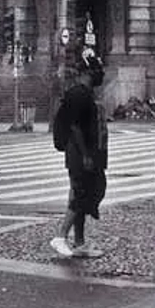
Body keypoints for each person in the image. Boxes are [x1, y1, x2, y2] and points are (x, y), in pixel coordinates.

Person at [50, 47, 108, 259]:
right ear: (87, 72)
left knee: (84, 193)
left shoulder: (85, 94)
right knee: (83, 194)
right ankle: (61, 236)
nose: (100, 74)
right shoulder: (79, 94)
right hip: (80, 153)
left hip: (86, 152)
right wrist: (85, 155)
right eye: (97, 71)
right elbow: (74, 127)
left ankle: (80, 242)